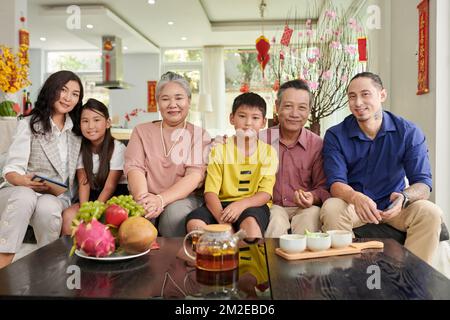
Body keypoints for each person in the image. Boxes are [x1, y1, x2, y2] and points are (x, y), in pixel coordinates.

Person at [320, 71, 443, 264]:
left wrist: (404, 198)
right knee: (332, 207)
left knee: (431, 213)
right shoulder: (336, 135)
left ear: (382, 95)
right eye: (352, 96)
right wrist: (355, 197)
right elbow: (335, 183)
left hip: (394, 207)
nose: (358, 102)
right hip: (354, 205)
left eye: (365, 94)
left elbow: (423, 183)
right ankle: (344, 279)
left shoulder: (408, 132)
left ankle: (412, 281)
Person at [0, 70, 83, 269]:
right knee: (24, 197)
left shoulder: (77, 132)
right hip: (19, 191)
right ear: (51, 90)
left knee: (49, 208)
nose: (68, 97)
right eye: (63, 90)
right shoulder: (29, 124)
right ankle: (3, 263)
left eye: (75, 94)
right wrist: (24, 181)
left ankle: (50, 269)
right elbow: (11, 169)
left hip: (55, 197)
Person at [124, 71, 211, 237]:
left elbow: (194, 176)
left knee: (173, 216)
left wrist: (161, 200)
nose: (172, 104)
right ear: (158, 103)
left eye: (179, 98)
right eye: (165, 99)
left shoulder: (199, 134)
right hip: (145, 195)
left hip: (182, 199)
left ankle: (175, 262)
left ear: (189, 101)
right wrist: (144, 199)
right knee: (138, 218)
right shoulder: (141, 131)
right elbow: (134, 168)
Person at [186, 92, 279, 238]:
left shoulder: (268, 152)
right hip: (220, 204)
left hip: (252, 205)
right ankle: (212, 258)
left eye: (255, 118)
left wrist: (240, 205)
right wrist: (225, 225)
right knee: (195, 224)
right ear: (232, 118)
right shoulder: (220, 149)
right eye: (242, 116)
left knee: (250, 225)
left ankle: (249, 259)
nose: (248, 122)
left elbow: (265, 194)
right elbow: (210, 193)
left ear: (263, 122)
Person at [263, 79, 330, 237]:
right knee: (275, 220)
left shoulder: (317, 144)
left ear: (308, 111)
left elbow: (324, 188)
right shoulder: (261, 140)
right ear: (277, 106)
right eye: (288, 106)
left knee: (311, 216)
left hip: (305, 208)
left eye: (302, 108)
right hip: (272, 205)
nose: (294, 114)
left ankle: (306, 261)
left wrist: (312, 197)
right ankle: (272, 261)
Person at [61, 98, 128, 235]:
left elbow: (110, 186)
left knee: (103, 220)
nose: (90, 126)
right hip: (90, 195)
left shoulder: (118, 148)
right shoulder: (80, 148)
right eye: (85, 121)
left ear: (108, 123)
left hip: (114, 196)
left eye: (96, 120)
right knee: (69, 216)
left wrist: (95, 211)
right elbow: (83, 182)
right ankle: (68, 254)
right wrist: (85, 210)